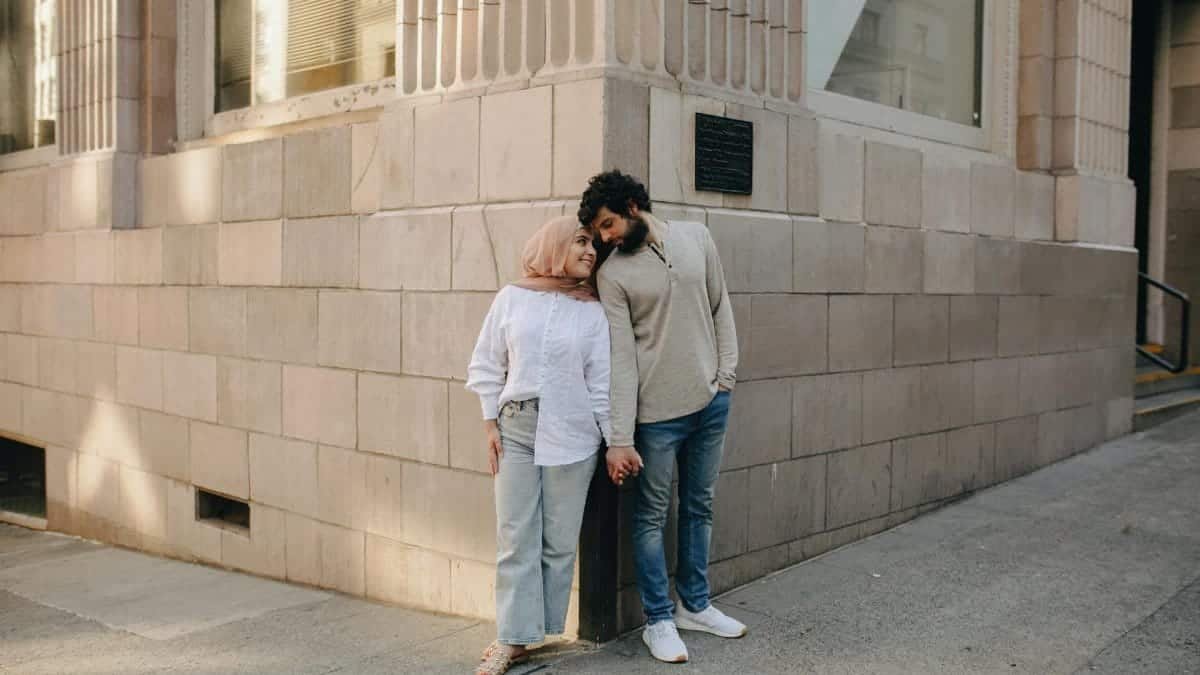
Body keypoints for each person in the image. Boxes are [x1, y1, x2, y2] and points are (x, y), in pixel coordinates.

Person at [579, 171, 745, 664]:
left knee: (700, 506)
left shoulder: (697, 236)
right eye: (597, 232)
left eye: (607, 225)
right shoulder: (611, 276)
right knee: (651, 518)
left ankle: (695, 604)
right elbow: (622, 359)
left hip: (710, 402)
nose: (604, 238)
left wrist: (726, 378)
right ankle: (658, 620)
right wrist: (620, 437)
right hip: (656, 419)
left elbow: (721, 306)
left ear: (632, 206)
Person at [466, 215, 614, 675]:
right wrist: (490, 422)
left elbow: (601, 383)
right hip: (516, 429)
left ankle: (536, 630)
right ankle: (511, 638)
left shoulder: (591, 311)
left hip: (573, 433)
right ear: (553, 247)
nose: (590, 251)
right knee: (515, 535)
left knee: (558, 540)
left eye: (593, 244)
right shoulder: (511, 298)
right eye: (580, 242)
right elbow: (488, 360)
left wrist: (614, 442)